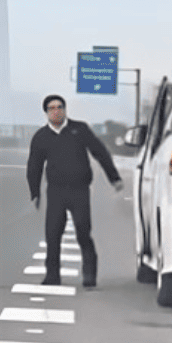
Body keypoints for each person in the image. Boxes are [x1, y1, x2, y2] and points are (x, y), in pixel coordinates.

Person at [26, 94, 124, 287]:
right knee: (52, 235)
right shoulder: (41, 137)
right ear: (46, 112)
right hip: (56, 192)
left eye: (60, 107)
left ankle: (89, 275)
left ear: (65, 109)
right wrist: (34, 193)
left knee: (83, 232)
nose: (57, 111)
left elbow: (100, 152)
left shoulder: (79, 129)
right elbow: (34, 166)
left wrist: (114, 177)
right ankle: (52, 276)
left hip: (79, 190)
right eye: (52, 108)